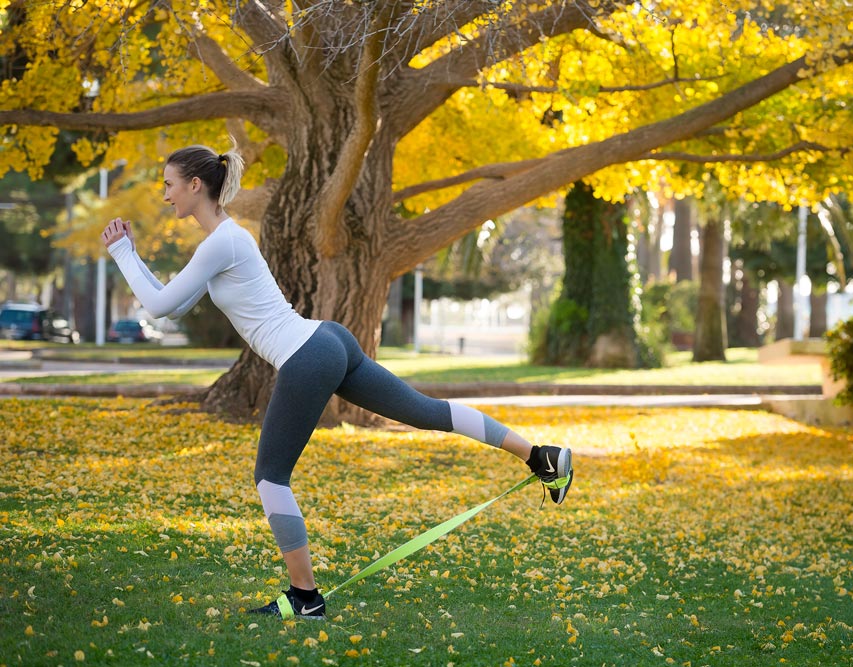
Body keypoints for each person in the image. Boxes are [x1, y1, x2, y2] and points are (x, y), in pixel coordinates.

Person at [101, 144, 574, 620]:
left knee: (270, 477)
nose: (165, 196)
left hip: (307, 355)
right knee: (425, 411)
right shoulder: (225, 241)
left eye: (168, 185)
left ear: (195, 185)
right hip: (326, 340)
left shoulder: (221, 242)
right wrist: (132, 256)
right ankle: (541, 457)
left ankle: (305, 597)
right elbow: (172, 303)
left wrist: (122, 252)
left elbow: (159, 308)